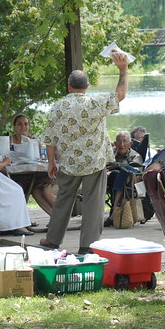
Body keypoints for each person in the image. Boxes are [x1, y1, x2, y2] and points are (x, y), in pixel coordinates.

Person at [40, 51, 130, 253]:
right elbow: (120, 95)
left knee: (63, 199)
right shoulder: (95, 103)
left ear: (69, 86)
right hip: (94, 162)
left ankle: (53, 239)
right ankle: (87, 245)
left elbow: (50, 137)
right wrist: (123, 70)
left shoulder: (58, 106)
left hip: (69, 162)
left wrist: (51, 162)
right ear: (87, 87)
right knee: (93, 203)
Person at [8, 112, 56, 215]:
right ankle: (20, 219)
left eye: (26, 124)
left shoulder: (34, 141)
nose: (23, 127)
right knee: (18, 188)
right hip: (17, 176)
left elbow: (41, 159)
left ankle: (57, 218)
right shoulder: (9, 141)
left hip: (36, 175)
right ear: (14, 126)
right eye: (19, 124)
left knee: (38, 191)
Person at [105, 130, 144, 225]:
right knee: (114, 174)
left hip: (130, 183)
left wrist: (114, 169)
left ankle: (115, 211)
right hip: (110, 182)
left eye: (125, 141)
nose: (122, 144)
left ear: (130, 143)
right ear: (114, 143)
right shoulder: (110, 155)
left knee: (118, 172)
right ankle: (115, 210)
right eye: (119, 141)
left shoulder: (135, 156)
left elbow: (136, 173)